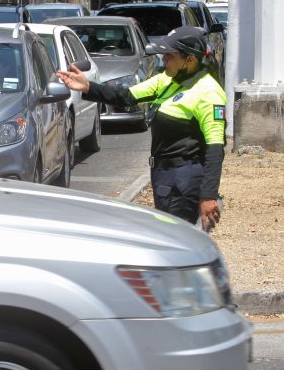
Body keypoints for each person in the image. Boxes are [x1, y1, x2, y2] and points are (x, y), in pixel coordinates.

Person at [57, 26, 226, 231]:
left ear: (190, 60)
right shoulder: (168, 80)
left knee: (177, 239)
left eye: (170, 56)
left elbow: (215, 149)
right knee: (166, 236)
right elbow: (126, 96)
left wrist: (208, 195)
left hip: (185, 179)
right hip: (164, 175)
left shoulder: (208, 92)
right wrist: (88, 87)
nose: (163, 60)